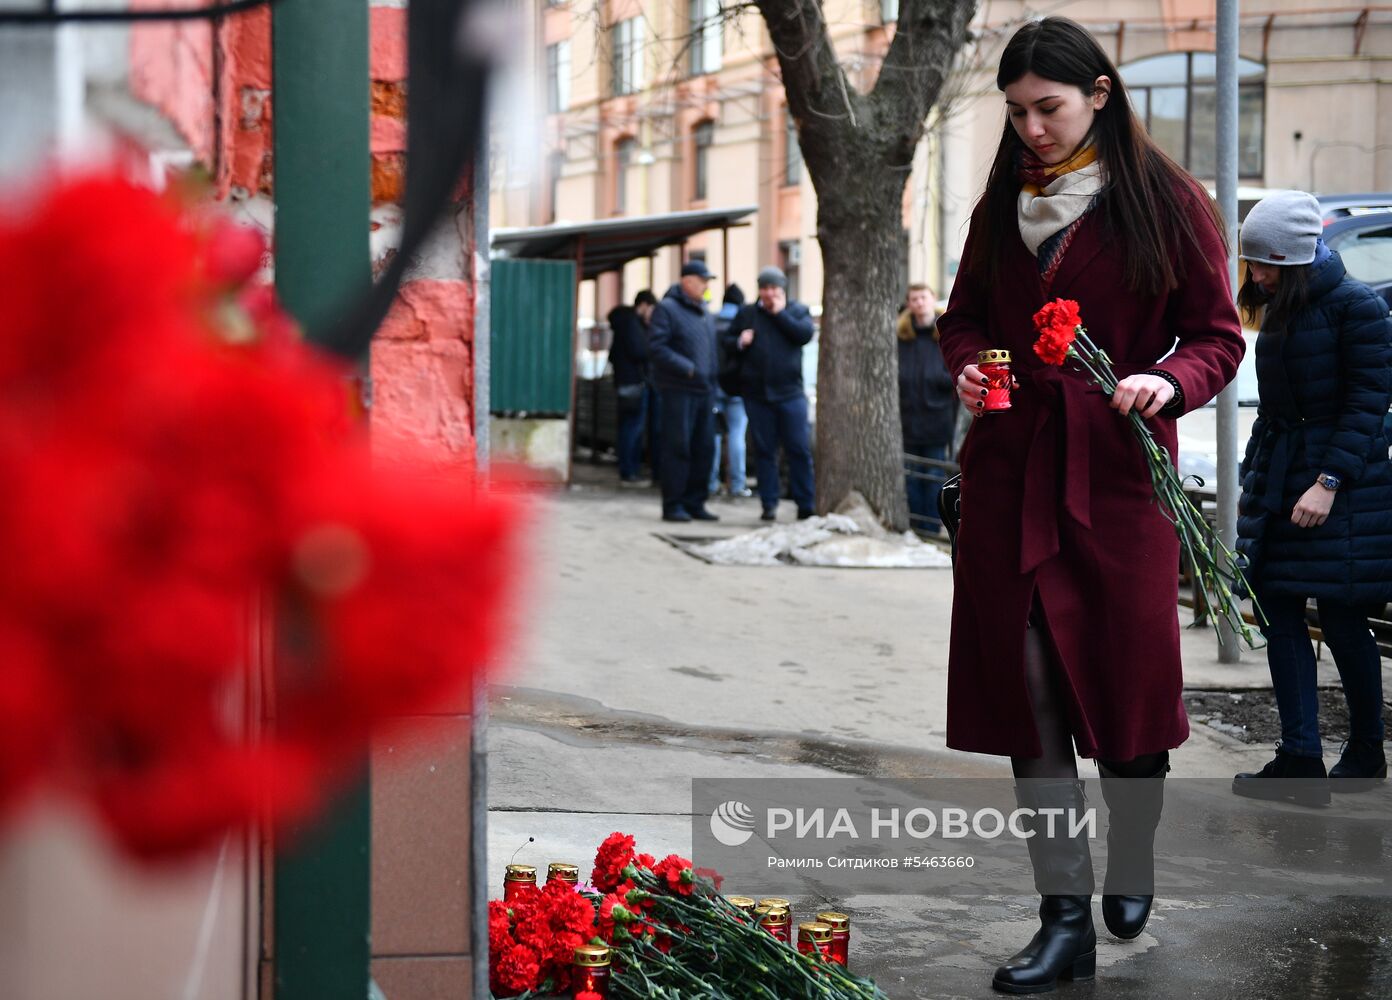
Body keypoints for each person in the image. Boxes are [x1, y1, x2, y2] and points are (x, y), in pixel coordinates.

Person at [935, 17, 1245, 995]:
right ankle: (1061, 920)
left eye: (1049, 108)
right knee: (1029, 699)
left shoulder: (1167, 202)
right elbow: (966, 321)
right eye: (1017, 111)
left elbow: (1217, 337)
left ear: (1100, 96)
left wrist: (1165, 381)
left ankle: (1138, 860)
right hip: (1008, 480)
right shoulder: (999, 208)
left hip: (1116, 484)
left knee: (1126, 701)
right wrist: (970, 372)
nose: (1030, 129)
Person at [1231, 190, 1392, 806]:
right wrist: (1259, 476)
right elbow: (1278, 410)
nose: (1257, 276)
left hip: (1343, 488)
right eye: (1252, 264)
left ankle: (1367, 749)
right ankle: (1299, 756)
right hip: (1282, 479)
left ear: (1298, 259)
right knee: (1276, 609)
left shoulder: (1358, 308)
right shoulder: (1282, 309)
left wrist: (1328, 483)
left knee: (1345, 616)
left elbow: (1368, 406)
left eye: (1267, 264)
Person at [725, 266, 816, 521]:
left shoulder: (797, 311)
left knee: (798, 450)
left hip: (791, 394)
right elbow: (726, 342)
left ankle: (805, 504)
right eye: (764, 288)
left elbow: (805, 334)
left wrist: (780, 314)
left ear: (782, 289)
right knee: (765, 452)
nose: (768, 294)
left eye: (773, 288)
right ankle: (768, 504)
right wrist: (739, 341)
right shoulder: (747, 314)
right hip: (757, 395)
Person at [649, 260, 721, 523]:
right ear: (687, 281)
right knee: (678, 448)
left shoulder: (703, 311)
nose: (705, 286)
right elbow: (657, 348)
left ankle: (695, 502)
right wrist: (688, 368)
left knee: (704, 449)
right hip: (679, 390)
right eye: (702, 281)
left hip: (705, 391)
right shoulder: (667, 309)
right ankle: (673, 504)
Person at [896, 282, 957, 535]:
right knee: (911, 475)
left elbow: (954, 370)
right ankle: (915, 525)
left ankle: (931, 526)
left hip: (937, 418)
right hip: (908, 418)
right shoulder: (901, 337)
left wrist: (940, 379)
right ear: (909, 304)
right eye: (914, 298)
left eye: (923, 297)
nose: (919, 302)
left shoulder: (945, 334)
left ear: (932, 300)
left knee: (933, 473)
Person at [607, 289, 658, 485]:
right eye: (651, 309)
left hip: (624, 381)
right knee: (633, 428)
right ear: (644, 305)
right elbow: (640, 351)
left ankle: (628, 468)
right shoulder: (632, 324)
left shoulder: (623, 323)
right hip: (634, 382)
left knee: (628, 426)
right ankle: (630, 471)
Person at [711, 284, 751, 498]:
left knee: (714, 435)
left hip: (714, 387)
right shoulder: (744, 323)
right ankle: (737, 485)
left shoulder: (712, 321)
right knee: (736, 435)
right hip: (737, 388)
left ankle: (711, 483)